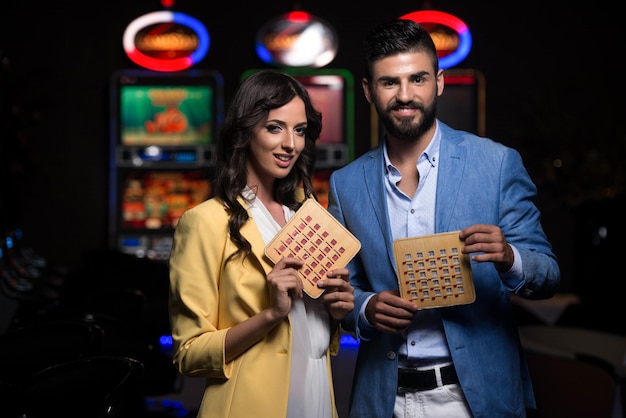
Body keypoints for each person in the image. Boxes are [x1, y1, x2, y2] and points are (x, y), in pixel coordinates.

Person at [326, 19, 560, 418]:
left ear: (439, 81)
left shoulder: (496, 163)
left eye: (417, 79)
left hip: (474, 399)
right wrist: (365, 308)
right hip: (385, 398)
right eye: (389, 83)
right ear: (368, 90)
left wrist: (508, 257)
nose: (405, 95)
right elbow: (341, 290)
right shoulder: (345, 183)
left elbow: (548, 274)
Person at [168, 69, 355, 418]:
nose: (290, 144)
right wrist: (270, 314)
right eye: (274, 128)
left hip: (316, 395)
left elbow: (309, 333)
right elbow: (189, 353)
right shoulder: (206, 221)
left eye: (299, 130)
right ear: (245, 132)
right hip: (249, 405)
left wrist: (336, 312)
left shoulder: (306, 216)